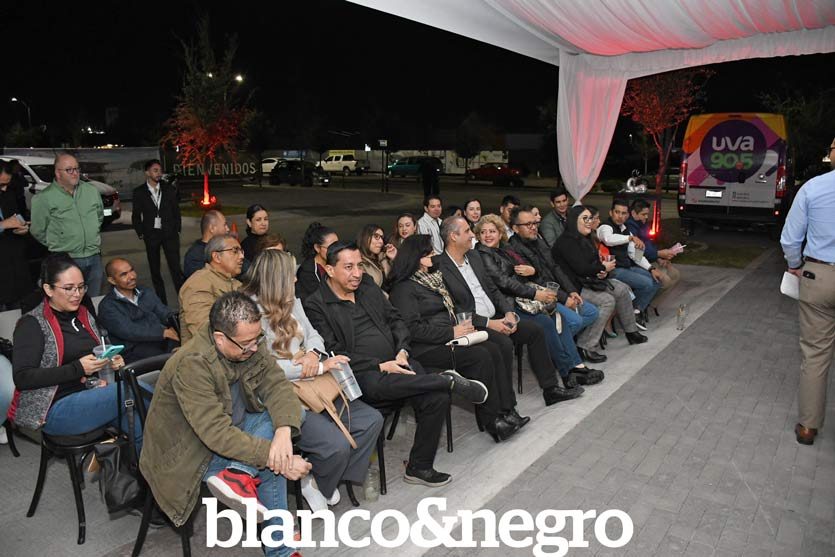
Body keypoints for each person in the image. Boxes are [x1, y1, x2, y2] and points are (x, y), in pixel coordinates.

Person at [304, 242, 488, 487]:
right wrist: (381, 365)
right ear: (329, 269)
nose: (357, 273)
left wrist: (402, 350)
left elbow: (395, 319)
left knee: (437, 398)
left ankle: (419, 466)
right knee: (394, 384)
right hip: (362, 374)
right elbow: (333, 350)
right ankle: (443, 379)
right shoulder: (316, 304)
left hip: (399, 361)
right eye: (348, 267)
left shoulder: (366, 285)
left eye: (359, 266)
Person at [139, 292, 308, 557]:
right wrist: (277, 457)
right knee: (271, 462)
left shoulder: (248, 342)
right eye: (246, 344)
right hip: (191, 451)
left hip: (230, 429)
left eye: (257, 339)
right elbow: (214, 433)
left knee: (291, 416)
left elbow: (277, 385)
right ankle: (281, 550)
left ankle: (239, 473)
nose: (254, 348)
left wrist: (284, 435)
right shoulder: (192, 364)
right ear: (220, 338)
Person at [241, 249, 383, 510]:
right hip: (282, 395)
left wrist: (313, 354)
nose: (296, 280)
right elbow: (264, 367)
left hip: (313, 384)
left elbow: (315, 335)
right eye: (291, 275)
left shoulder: (292, 301)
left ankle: (322, 480)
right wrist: (316, 367)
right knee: (335, 446)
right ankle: (315, 479)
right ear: (276, 279)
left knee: (371, 420)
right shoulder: (250, 314)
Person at [388, 235, 525, 442]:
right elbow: (412, 330)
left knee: (494, 347)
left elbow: (452, 309)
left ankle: (504, 410)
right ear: (418, 258)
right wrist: (452, 332)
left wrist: (461, 328)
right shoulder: (404, 289)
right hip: (426, 348)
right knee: (481, 356)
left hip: (449, 337)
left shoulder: (433, 280)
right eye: (430, 253)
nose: (435, 255)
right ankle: (492, 421)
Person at [435, 216, 585, 402]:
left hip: (498, 314)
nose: (472, 235)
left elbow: (493, 289)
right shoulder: (441, 267)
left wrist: (508, 313)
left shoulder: (473, 256)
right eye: (468, 231)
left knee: (536, 330)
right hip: (474, 324)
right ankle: (507, 405)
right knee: (504, 344)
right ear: (453, 236)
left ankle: (551, 389)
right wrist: (491, 323)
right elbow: (456, 309)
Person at [8, 254, 139, 445]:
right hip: (54, 408)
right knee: (137, 390)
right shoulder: (32, 324)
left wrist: (110, 359)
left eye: (81, 287)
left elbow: (100, 349)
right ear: (48, 289)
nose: (77, 294)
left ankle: (147, 462)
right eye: (69, 288)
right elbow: (22, 378)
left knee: (142, 426)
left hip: (91, 393)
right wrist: (78, 368)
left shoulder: (84, 314)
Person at [475, 214, 601, 388]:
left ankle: (575, 367)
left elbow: (531, 271)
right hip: (507, 305)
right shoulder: (483, 254)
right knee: (547, 322)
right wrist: (535, 294)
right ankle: (567, 373)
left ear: (500, 233)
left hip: (521, 298)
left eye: (492, 231)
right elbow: (503, 282)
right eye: (483, 232)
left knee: (558, 318)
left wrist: (532, 273)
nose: (488, 235)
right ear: (478, 235)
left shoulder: (503, 249)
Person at [780, 137, 835, 446]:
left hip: (819, 275)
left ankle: (808, 427)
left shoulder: (813, 188)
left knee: (815, 354)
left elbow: (790, 238)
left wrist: (795, 265)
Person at [507, 207, 605, 364]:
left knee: (591, 312)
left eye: (534, 223)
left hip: (558, 291)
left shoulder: (538, 241)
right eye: (528, 224)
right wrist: (564, 298)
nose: (533, 227)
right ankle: (559, 353)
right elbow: (536, 281)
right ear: (515, 228)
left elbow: (555, 268)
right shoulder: (513, 250)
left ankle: (565, 348)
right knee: (575, 321)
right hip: (540, 298)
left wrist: (571, 291)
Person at [553, 206, 648, 349]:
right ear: (574, 220)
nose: (589, 222)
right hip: (574, 287)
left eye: (590, 218)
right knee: (607, 301)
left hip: (591, 280)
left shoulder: (585, 238)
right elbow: (581, 268)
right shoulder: (567, 242)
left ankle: (631, 332)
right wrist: (602, 268)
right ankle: (584, 346)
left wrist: (602, 272)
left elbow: (593, 264)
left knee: (622, 289)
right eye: (585, 218)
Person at [30, 154, 104, 295]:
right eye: (69, 170)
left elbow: (99, 217)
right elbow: (37, 230)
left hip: (94, 256)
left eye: (77, 169)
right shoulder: (44, 198)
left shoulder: (91, 191)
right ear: (58, 173)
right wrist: (59, 243)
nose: (75, 173)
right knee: (70, 300)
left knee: (93, 299)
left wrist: (92, 233)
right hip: (66, 259)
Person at [97, 258, 179, 363]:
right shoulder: (108, 306)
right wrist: (163, 332)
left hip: (159, 341)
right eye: (124, 274)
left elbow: (164, 312)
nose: (132, 276)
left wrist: (175, 324)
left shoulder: (145, 292)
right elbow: (129, 331)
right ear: (112, 280)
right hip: (134, 350)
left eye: (132, 270)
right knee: (174, 359)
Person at [597, 199, 661, 323]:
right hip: (612, 270)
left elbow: (635, 255)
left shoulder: (626, 229)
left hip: (626, 267)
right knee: (647, 283)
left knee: (656, 280)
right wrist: (630, 238)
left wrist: (651, 268)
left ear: (627, 215)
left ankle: (635, 311)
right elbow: (608, 239)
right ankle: (631, 315)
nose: (620, 216)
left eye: (623, 213)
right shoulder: (605, 227)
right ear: (611, 213)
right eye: (617, 212)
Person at [131, 159, 184, 305]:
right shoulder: (139, 192)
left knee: (176, 269)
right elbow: (136, 216)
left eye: (160, 170)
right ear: (147, 173)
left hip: (170, 234)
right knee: (155, 271)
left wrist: (177, 229)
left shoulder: (169, 189)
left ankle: (183, 300)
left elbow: (176, 211)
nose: (159, 173)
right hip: (151, 236)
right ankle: (163, 304)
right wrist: (141, 233)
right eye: (155, 170)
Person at [178, 234, 244, 345]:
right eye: (235, 251)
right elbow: (204, 331)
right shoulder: (198, 284)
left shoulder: (236, 283)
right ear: (217, 257)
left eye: (242, 252)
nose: (241, 256)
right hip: (207, 353)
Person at [626, 198, 681, 296]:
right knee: (664, 281)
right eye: (643, 214)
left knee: (675, 274)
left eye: (647, 214)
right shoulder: (630, 228)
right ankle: (644, 300)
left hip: (646, 259)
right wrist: (658, 254)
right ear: (633, 213)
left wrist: (658, 258)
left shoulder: (642, 223)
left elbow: (648, 243)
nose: (646, 217)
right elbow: (637, 254)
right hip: (634, 264)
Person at [0, 160, 32, 310]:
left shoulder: (8, 194)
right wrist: (3, 225)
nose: (5, 188)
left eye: (8, 184)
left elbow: (15, 218)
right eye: (1, 185)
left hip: (13, 266)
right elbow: (5, 223)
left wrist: (21, 228)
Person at [296, 222, 338, 302]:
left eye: (337, 245)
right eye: (331, 247)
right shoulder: (307, 272)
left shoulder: (338, 262)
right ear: (317, 248)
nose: (336, 250)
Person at [183, 210, 229, 279]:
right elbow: (203, 281)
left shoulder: (225, 247)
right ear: (212, 228)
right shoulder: (195, 257)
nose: (228, 229)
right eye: (224, 225)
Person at [357, 224, 396, 288]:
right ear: (365, 238)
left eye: (382, 238)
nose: (381, 241)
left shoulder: (382, 258)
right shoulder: (359, 262)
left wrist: (394, 258)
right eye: (376, 236)